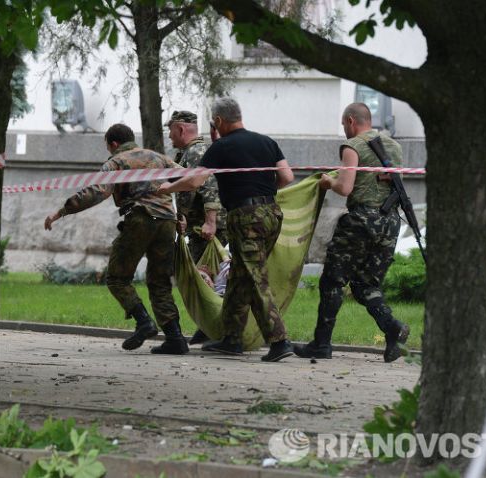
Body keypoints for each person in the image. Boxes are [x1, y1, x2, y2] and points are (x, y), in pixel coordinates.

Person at [158, 97, 295, 362]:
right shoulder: (267, 142)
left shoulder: (221, 147)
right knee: (240, 275)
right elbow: (287, 178)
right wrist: (261, 193)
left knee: (254, 276)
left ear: (219, 121)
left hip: (245, 217)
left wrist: (169, 188)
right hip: (272, 214)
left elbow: (196, 181)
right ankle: (231, 339)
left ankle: (279, 341)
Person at [44, 124, 188, 355]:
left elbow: (96, 192)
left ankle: (144, 322)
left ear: (112, 144)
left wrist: (61, 212)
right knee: (160, 281)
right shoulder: (159, 158)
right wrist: (182, 216)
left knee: (117, 278)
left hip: (140, 220)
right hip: (167, 223)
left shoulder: (117, 162)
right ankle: (176, 338)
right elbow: (189, 179)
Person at [293, 103, 410, 363]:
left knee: (332, 281)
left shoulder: (353, 146)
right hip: (389, 222)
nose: (344, 130)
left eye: (343, 125)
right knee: (365, 284)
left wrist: (327, 181)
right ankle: (393, 328)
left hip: (360, 222)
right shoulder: (394, 146)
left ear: (350, 121)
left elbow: (345, 188)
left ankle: (322, 344)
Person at [165, 110, 228, 345]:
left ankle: (216, 329)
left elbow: (208, 184)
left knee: (203, 279)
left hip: (207, 228)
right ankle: (209, 327)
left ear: (181, 129)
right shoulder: (188, 152)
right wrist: (183, 217)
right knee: (202, 278)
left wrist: (210, 221)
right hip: (197, 226)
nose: (169, 135)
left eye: (171, 130)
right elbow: (189, 191)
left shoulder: (196, 151)